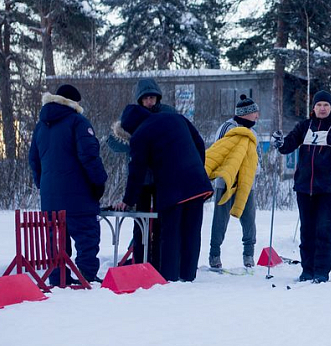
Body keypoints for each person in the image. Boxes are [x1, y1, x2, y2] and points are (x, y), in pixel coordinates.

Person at [114, 104, 212, 282]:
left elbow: (137, 171)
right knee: (192, 231)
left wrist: (128, 200)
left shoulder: (140, 135)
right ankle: (188, 275)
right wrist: (197, 168)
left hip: (172, 188)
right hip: (198, 183)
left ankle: (169, 277)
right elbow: (199, 142)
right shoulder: (176, 118)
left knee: (170, 233)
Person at [29, 84, 108, 285]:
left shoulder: (40, 126)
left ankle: (58, 279)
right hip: (79, 196)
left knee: (56, 242)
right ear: (74, 102)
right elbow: (89, 156)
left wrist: (43, 185)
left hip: (50, 198)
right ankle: (87, 277)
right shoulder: (77, 122)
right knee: (86, 237)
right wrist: (99, 183)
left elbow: (34, 161)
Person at [271, 90, 331, 283]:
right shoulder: (304, 126)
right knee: (307, 230)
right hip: (305, 186)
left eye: (326, 105)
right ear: (313, 108)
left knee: (324, 229)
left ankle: (322, 270)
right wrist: (280, 143)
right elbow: (288, 145)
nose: (322, 108)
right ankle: (307, 269)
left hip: (328, 187)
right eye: (319, 105)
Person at [106, 78, 177, 266]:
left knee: (161, 223)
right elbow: (118, 144)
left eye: (152, 98)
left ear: (158, 98)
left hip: (163, 178)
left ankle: (159, 263)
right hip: (142, 179)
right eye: (145, 99)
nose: (149, 102)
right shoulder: (134, 117)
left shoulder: (167, 114)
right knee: (140, 223)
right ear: (139, 100)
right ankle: (140, 261)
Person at [205, 94, 261, 269]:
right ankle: (214, 255)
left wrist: (255, 170)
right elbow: (218, 151)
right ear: (246, 113)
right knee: (220, 220)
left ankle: (249, 254)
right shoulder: (227, 128)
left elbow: (255, 158)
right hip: (226, 182)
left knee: (249, 219)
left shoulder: (253, 133)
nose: (257, 115)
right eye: (255, 112)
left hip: (246, 182)